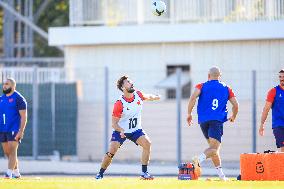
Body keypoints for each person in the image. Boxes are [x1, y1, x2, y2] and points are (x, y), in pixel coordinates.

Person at [95, 75, 160, 180]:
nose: (131, 83)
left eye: (131, 81)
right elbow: (114, 124)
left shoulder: (138, 95)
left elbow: (148, 97)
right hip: (121, 131)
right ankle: (100, 174)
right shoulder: (119, 104)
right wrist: (121, 130)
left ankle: (144, 173)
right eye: (128, 82)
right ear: (122, 88)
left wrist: (156, 96)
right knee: (111, 151)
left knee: (147, 144)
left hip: (136, 130)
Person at [187, 67, 239, 181]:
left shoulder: (201, 86)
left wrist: (189, 114)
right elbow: (235, 105)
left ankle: (222, 176)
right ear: (219, 76)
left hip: (203, 122)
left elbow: (192, 98)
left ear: (208, 75)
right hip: (216, 121)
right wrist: (233, 116)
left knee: (213, 150)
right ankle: (198, 160)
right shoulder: (226, 88)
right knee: (214, 149)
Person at [0, 78, 27, 179]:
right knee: (7, 152)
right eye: (4, 84)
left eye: (7, 84)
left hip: (14, 129)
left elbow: (24, 116)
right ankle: (16, 173)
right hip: (3, 129)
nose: (4, 86)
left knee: (12, 151)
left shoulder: (19, 98)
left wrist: (21, 131)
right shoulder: (1, 99)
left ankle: (8, 174)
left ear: (13, 86)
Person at [259, 69, 284, 152]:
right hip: (279, 125)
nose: (281, 79)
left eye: (283, 77)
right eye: (280, 77)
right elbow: (266, 109)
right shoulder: (273, 91)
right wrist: (262, 124)